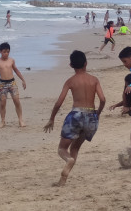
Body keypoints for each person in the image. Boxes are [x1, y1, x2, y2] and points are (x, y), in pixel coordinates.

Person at [43, 50, 106, 186]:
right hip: (91, 116)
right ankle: (63, 179)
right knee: (75, 148)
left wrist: (52, 118)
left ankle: (68, 160)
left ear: (71, 65)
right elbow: (102, 99)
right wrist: (98, 113)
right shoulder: (94, 80)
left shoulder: (70, 81)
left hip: (76, 115)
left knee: (62, 149)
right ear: (86, 63)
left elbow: (59, 102)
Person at [0, 42, 27, 127]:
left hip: (12, 83)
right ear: (0, 52)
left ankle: (20, 120)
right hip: (3, 84)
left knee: (16, 101)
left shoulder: (11, 60)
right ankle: (3, 121)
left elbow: (16, 70)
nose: (6, 53)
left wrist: (23, 80)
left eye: (8, 52)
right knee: (2, 103)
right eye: (4, 52)